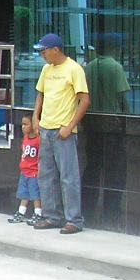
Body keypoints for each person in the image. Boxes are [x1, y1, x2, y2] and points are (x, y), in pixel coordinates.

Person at [31, 33, 90, 234]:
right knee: (46, 175)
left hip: (63, 130)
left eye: (44, 51)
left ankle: (74, 219)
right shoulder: (46, 70)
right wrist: (35, 118)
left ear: (55, 50)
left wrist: (70, 125)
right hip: (46, 128)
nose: (43, 55)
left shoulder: (74, 69)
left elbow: (84, 100)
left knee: (68, 176)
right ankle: (52, 216)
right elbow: (40, 94)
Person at [84, 40, 130, 223]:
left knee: (92, 169)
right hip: (111, 126)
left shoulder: (89, 67)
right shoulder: (116, 67)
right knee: (114, 172)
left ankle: (88, 211)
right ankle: (111, 214)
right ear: (113, 48)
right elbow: (122, 98)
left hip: (92, 125)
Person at [8, 113, 42, 224]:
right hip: (24, 171)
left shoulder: (39, 140)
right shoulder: (25, 138)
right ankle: (21, 213)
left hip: (34, 172)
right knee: (24, 194)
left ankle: (38, 214)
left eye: (26, 124)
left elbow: (41, 156)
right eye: (22, 124)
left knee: (35, 194)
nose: (23, 127)